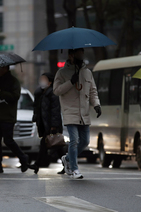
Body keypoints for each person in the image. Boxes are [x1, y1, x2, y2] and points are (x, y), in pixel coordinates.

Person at [53, 48, 101, 179]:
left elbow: (93, 91)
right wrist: (70, 82)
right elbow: (56, 90)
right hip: (69, 112)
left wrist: (96, 104)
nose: (81, 56)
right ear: (71, 55)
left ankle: (67, 158)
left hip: (84, 112)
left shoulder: (87, 72)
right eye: (78, 53)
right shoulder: (62, 72)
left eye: (82, 53)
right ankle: (74, 169)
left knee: (85, 141)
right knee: (74, 140)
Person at [0, 66, 29, 173]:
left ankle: (23, 158)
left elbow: (15, 97)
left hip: (7, 117)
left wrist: (1, 92)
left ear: (5, 68)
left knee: (8, 140)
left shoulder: (13, 81)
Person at [29, 73, 63, 174]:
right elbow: (37, 108)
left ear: (50, 82)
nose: (41, 81)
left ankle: (37, 164)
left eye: (44, 79)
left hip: (51, 125)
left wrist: (54, 125)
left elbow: (55, 111)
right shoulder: (39, 93)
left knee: (45, 144)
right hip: (43, 124)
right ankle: (68, 164)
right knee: (57, 147)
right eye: (41, 79)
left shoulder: (53, 93)